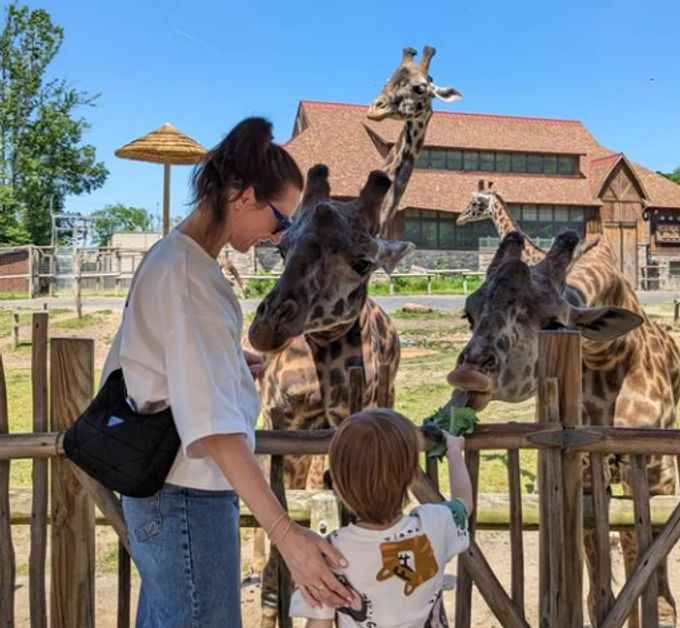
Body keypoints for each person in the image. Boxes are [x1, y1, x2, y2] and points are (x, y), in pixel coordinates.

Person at [103, 117, 353, 627]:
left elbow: (147, 359)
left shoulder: (174, 259)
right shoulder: (191, 278)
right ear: (243, 196)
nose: (279, 234)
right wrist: (286, 534)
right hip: (186, 500)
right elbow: (215, 432)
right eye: (281, 218)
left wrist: (225, 364)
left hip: (164, 498)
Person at [290, 409, 474, 628]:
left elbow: (319, 624)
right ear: (412, 478)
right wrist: (454, 451)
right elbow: (464, 503)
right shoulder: (436, 524)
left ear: (338, 486)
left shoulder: (330, 554)